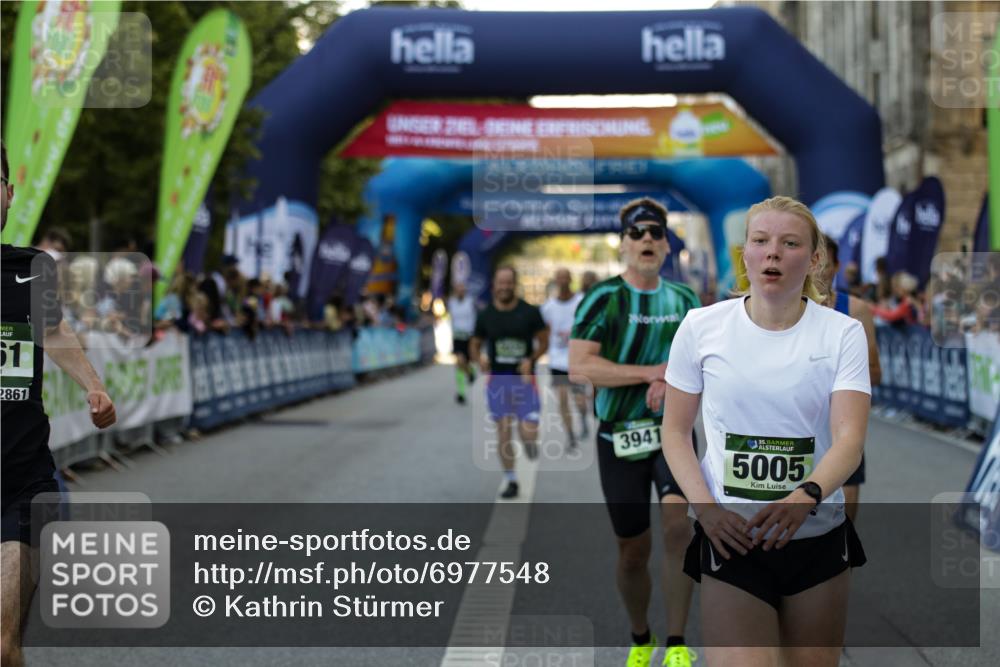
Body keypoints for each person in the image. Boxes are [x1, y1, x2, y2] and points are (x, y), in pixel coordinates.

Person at [661, 196, 870, 667]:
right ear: (746, 254)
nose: (772, 252)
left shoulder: (842, 334)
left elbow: (850, 439)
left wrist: (805, 496)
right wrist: (706, 510)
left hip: (815, 538)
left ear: (814, 259)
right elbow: (674, 433)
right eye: (761, 241)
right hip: (731, 539)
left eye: (789, 243)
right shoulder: (701, 327)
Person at [569, 197, 700, 667]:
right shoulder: (602, 298)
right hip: (619, 436)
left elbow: (700, 365)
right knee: (632, 551)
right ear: (623, 244)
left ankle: (678, 642)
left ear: (666, 246)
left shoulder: (685, 300)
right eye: (637, 233)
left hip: (673, 434)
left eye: (655, 234)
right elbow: (580, 366)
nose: (647, 240)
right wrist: (648, 374)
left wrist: (671, 380)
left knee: (678, 528)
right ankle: (641, 636)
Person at [1, 141, 117, 667]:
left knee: (3, 646)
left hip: (19, 482)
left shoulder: (31, 268)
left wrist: (93, 385)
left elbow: (56, 332)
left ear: (8, 194)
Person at [470, 266, 548, 499]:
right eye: (500, 283)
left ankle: (530, 444)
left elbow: (544, 340)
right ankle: (511, 479)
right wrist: (479, 359)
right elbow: (475, 343)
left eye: (508, 283)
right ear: (494, 285)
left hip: (524, 381)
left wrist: (532, 359)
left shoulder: (529, 312)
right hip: (497, 381)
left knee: (528, 433)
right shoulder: (486, 315)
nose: (504, 287)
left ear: (515, 284)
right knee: (503, 433)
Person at [822, 235, 881, 522]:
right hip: (798, 425)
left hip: (843, 423)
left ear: (836, 267)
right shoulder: (783, 310)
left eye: (825, 263)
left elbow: (875, 373)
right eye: (814, 261)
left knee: (845, 515)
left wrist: (842, 376)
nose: (818, 271)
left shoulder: (855, 310)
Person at [540, 268, 589, 448]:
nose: (562, 281)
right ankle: (570, 435)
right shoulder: (548, 307)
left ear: (570, 279)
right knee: (562, 398)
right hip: (557, 360)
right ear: (555, 281)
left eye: (565, 277)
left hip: (576, 358)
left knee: (579, 398)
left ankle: (583, 418)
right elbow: (544, 331)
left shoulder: (581, 302)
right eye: (559, 278)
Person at [447, 282, 478, 405]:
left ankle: (470, 372)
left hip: (469, 337)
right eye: (458, 289)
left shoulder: (471, 302)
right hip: (457, 337)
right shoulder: (451, 303)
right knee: (459, 362)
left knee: (466, 363)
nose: (461, 292)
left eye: (462, 289)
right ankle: (461, 393)